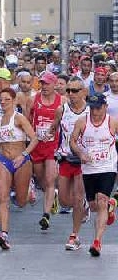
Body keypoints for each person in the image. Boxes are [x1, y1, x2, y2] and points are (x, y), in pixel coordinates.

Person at [68, 93, 118, 257]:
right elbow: (73, 141)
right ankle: (111, 206)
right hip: (89, 168)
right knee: (94, 206)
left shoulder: (112, 121)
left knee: (101, 200)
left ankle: (97, 241)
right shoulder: (82, 122)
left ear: (105, 107)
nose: (95, 111)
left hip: (107, 167)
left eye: (98, 108)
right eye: (92, 107)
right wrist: (81, 153)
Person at [0, 88, 38, 250]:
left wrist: (23, 154)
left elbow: (34, 139)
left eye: (7, 99)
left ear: (13, 101)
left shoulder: (19, 118)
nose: (3, 102)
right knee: (2, 198)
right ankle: (3, 234)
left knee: (21, 202)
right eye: (1, 99)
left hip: (21, 161)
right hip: (3, 160)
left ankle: (28, 189)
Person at [51, 78, 89, 250]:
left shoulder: (90, 111)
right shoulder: (62, 109)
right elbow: (54, 127)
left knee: (78, 197)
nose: (71, 94)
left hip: (83, 160)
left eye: (75, 90)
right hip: (65, 158)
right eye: (69, 91)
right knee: (66, 201)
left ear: (83, 92)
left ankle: (74, 236)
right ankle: (83, 206)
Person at [28, 71, 62, 231]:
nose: (44, 86)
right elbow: (28, 121)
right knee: (41, 178)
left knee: (49, 180)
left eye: (47, 83)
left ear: (55, 84)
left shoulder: (62, 101)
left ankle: (45, 215)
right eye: (42, 83)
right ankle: (52, 195)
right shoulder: (33, 99)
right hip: (37, 145)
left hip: (52, 146)